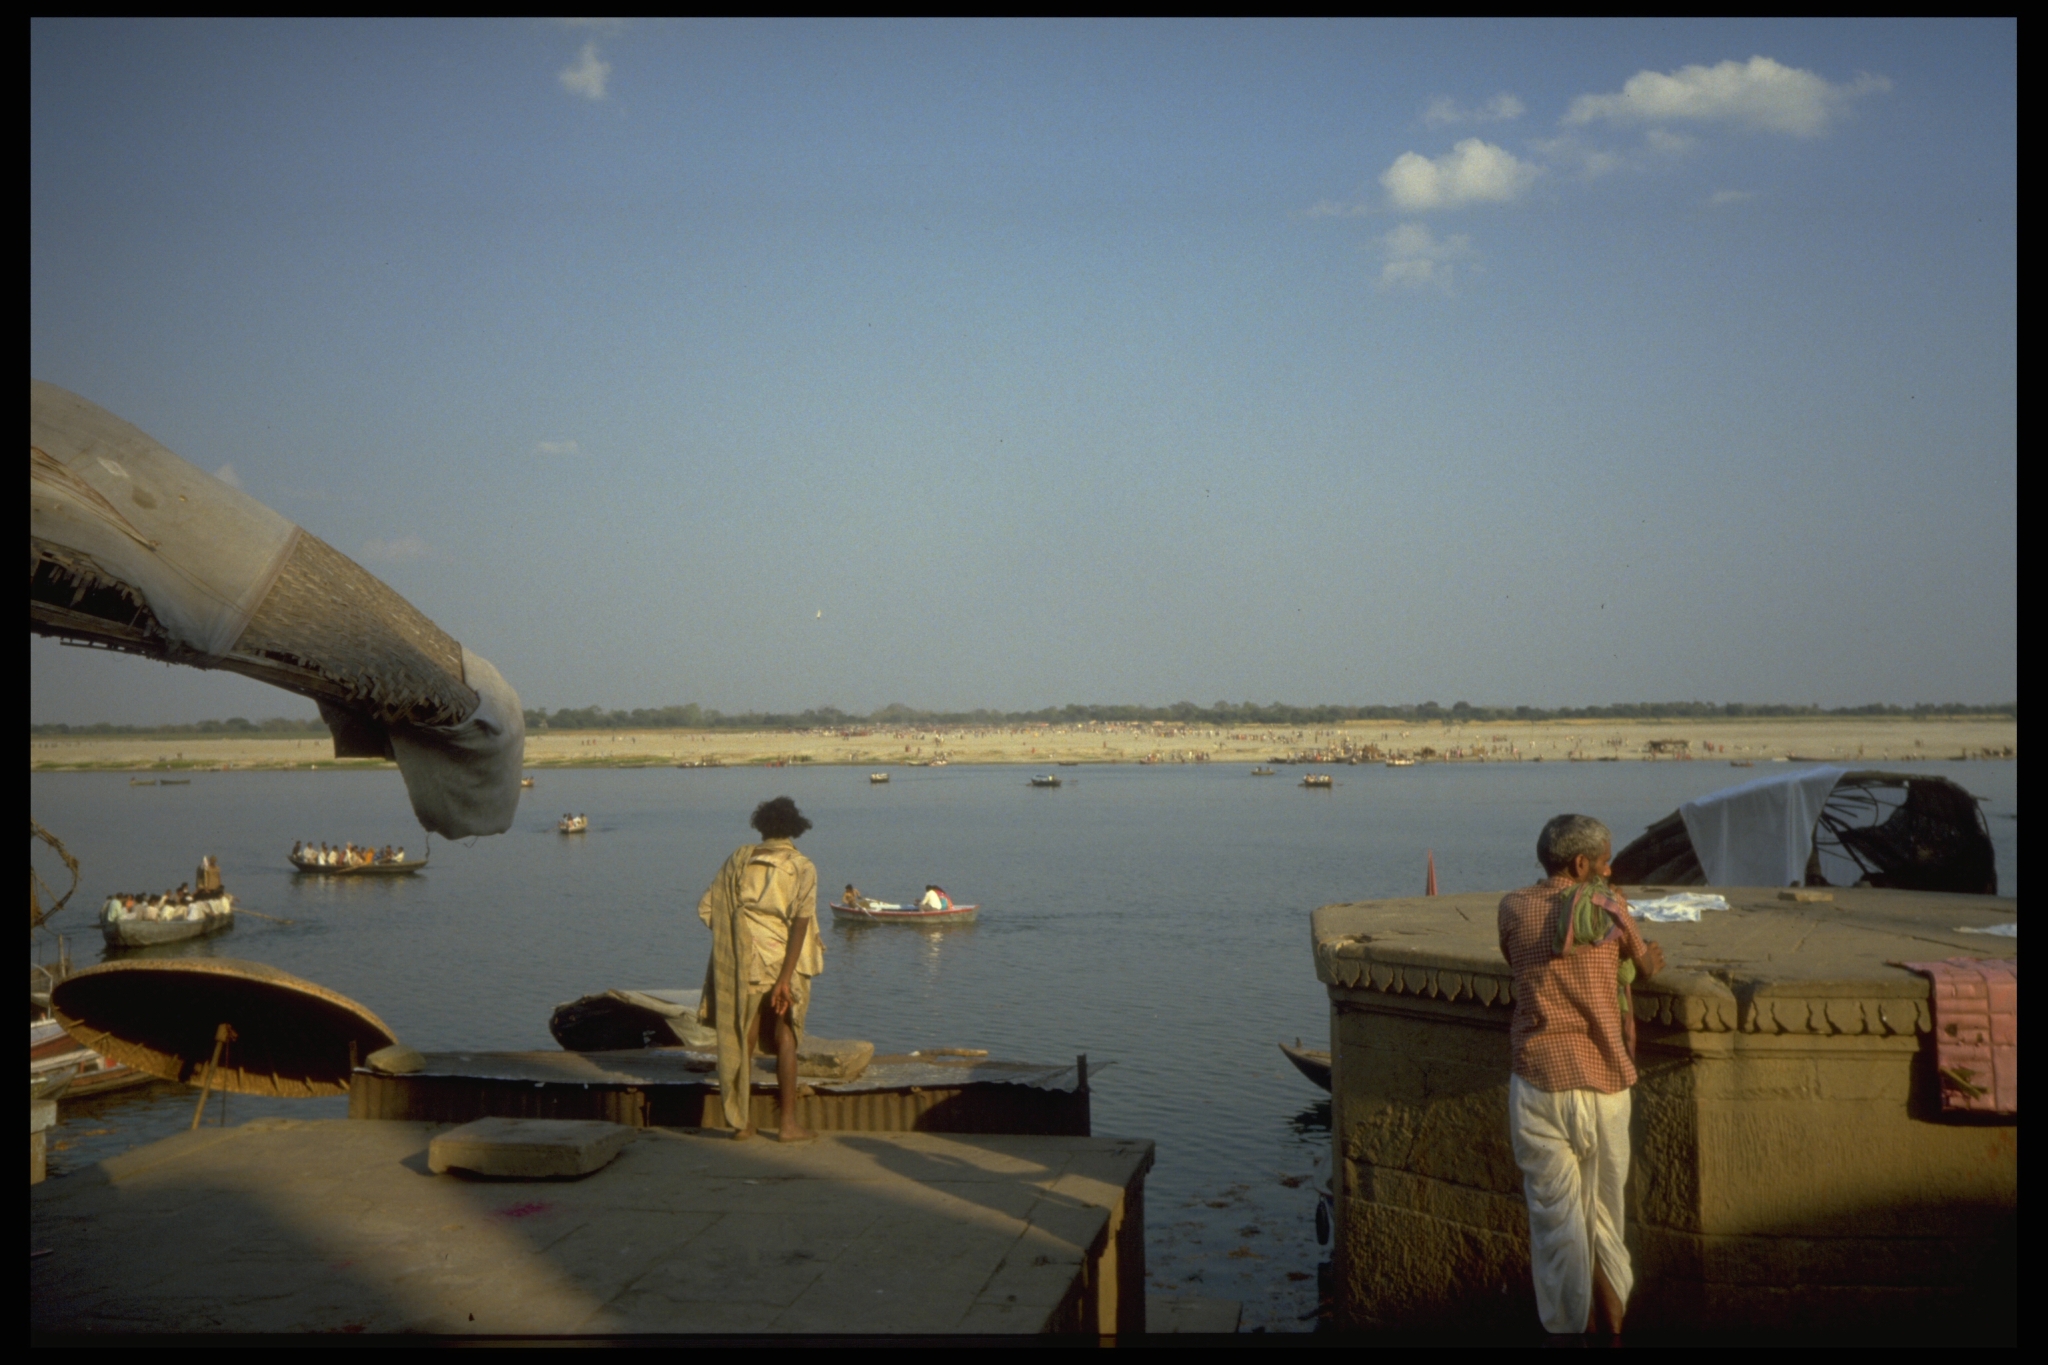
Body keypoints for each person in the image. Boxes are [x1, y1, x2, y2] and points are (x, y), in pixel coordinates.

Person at [1498, 814, 1665, 1339]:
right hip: (1605, 1083)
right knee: (1605, 1221)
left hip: (1539, 1080)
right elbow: (1643, 963)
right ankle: (1613, 1332)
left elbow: (1518, 961)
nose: (1611, 868)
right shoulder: (1612, 907)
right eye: (1605, 859)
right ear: (1580, 864)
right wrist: (1651, 959)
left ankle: (1571, 1331)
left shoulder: (1512, 907)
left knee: (1556, 1226)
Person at [695, 796, 823, 1142]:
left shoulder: (739, 859)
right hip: (784, 959)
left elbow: (708, 908)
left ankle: (743, 1123)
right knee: (786, 1037)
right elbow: (800, 924)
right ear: (796, 828)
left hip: (744, 959)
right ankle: (788, 1126)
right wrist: (784, 979)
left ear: (761, 826)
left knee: (744, 1037)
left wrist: (739, 937)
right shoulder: (801, 866)